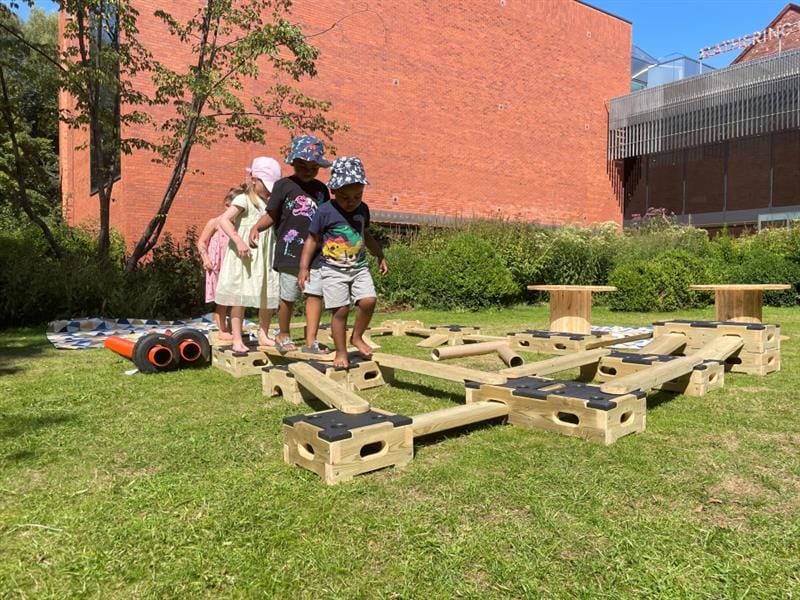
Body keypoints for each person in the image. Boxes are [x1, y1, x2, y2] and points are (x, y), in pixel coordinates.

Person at [298, 156, 388, 368]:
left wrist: (380, 255)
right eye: (346, 197)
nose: (352, 202)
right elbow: (311, 240)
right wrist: (304, 267)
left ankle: (356, 336)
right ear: (334, 191)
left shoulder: (362, 209)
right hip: (332, 270)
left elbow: (366, 234)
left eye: (357, 196)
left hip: (359, 267)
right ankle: (341, 352)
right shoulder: (325, 212)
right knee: (340, 311)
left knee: (368, 301)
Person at [248, 135, 332, 354]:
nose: (307, 170)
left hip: (315, 253)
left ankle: (310, 340)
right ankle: (283, 333)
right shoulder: (283, 186)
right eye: (302, 165)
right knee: (288, 297)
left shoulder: (322, 190)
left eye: (313, 166)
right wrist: (256, 227)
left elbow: (326, 219)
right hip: (289, 252)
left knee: (315, 294)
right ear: (293, 163)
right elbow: (272, 214)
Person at [214, 157, 281, 353]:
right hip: (245, 258)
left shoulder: (270, 203)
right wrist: (238, 240)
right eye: (265, 184)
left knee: (267, 294)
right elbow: (225, 220)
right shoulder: (243, 199)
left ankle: (264, 334)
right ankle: (236, 338)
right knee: (239, 298)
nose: (268, 189)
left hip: (265, 256)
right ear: (254, 179)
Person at [197, 186, 241, 339]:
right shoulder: (215, 222)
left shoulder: (240, 226)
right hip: (218, 265)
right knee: (222, 298)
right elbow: (201, 242)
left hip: (234, 264)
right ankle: (222, 329)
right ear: (227, 206)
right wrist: (206, 258)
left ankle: (233, 327)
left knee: (237, 297)